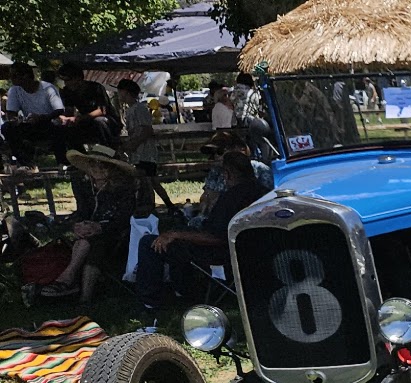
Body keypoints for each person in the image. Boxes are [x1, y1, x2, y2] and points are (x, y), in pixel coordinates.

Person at [137, 151, 264, 314]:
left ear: (227, 174)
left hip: (223, 254)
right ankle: (183, 289)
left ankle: (150, 301)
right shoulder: (265, 193)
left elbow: (216, 237)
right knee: (181, 235)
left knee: (150, 242)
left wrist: (176, 235)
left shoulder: (230, 198)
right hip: (254, 253)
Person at [35, 144, 138, 299]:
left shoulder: (124, 189)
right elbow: (82, 212)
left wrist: (100, 227)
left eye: (102, 166)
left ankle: (70, 284)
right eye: (93, 164)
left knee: (94, 245)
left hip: (118, 233)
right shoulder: (83, 185)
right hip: (90, 232)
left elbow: (124, 218)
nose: (97, 169)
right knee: (86, 241)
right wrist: (77, 225)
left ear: (112, 169)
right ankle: (79, 291)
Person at [197, 131, 272, 217]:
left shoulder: (259, 169)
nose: (216, 157)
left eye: (220, 151)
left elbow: (269, 197)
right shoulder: (215, 172)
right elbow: (205, 198)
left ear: (240, 148)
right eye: (213, 154)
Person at [4, 62, 64, 168]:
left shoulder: (47, 88)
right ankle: (25, 163)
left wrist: (41, 117)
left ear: (25, 76)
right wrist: (17, 120)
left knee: (58, 129)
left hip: (48, 123)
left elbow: (59, 110)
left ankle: (62, 162)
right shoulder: (15, 90)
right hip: (30, 125)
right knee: (7, 128)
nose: (11, 79)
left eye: (14, 76)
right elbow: (11, 113)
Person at [55, 63, 119, 152]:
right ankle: (77, 156)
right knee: (64, 129)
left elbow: (102, 110)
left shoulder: (96, 88)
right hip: (86, 121)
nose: (66, 83)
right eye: (64, 81)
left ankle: (109, 152)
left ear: (78, 78)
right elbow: (69, 110)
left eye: (68, 80)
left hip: (108, 121)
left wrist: (78, 118)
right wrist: (65, 119)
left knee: (99, 121)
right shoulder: (67, 91)